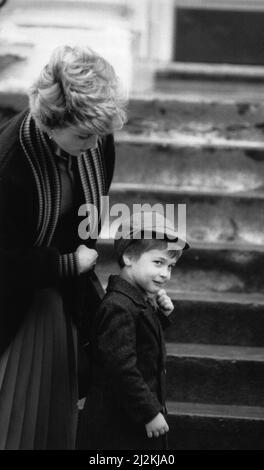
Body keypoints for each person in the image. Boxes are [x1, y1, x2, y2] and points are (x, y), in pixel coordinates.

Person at [0, 45, 126, 450]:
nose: (94, 145)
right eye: (85, 135)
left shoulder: (96, 139)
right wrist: (68, 263)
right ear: (51, 121)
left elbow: (87, 215)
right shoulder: (9, 162)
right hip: (14, 305)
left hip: (62, 301)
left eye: (100, 135)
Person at [77, 211, 189, 450]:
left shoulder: (136, 301)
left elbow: (141, 341)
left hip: (129, 421)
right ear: (129, 257)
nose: (165, 274)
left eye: (171, 267)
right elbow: (121, 367)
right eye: (158, 262)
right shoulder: (118, 306)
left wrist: (160, 315)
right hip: (117, 427)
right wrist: (149, 412)